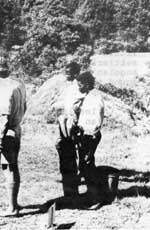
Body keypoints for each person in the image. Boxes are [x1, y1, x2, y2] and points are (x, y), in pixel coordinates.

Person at [55, 71, 104, 206]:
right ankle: (91, 195)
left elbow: (95, 121)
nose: (78, 87)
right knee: (85, 165)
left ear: (87, 84)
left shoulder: (95, 98)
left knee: (86, 165)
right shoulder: (88, 96)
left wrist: (86, 135)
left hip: (90, 135)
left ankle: (94, 198)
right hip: (84, 135)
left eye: (80, 84)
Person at [0, 56, 27, 217]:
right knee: (13, 166)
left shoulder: (5, 89)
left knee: (8, 168)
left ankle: (12, 208)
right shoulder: (19, 85)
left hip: (6, 132)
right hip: (15, 129)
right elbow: (24, 106)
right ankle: (14, 203)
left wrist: (0, 137)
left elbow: (4, 115)